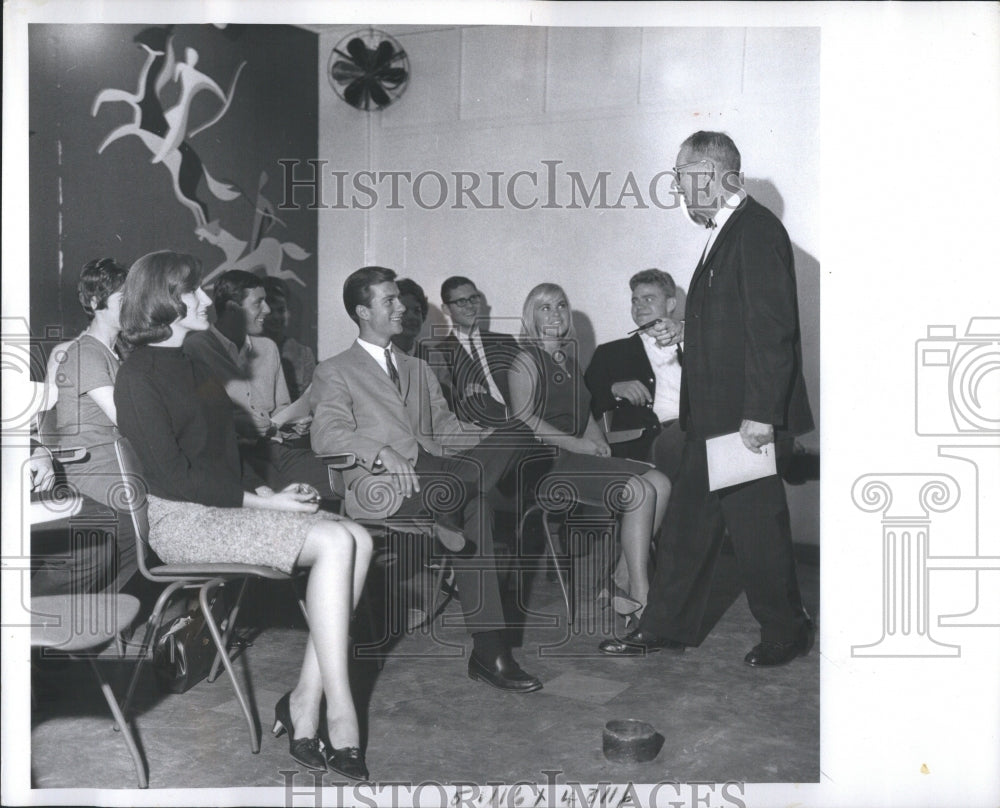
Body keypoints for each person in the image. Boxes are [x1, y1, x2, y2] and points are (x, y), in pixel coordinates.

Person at [114, 251, 373, 778]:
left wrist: (267, 488)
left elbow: (224, 452)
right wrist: (265, 502)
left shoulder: (195, 363)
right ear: (163, 300)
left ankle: (304, 697)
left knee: (360, 538)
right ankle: (338, 710)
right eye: (192, 292)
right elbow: (174, 479)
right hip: (179, 522)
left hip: (220, 505)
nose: (205, 299)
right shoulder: (137, 376)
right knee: (336, 542)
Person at [600, 131, 815, 667]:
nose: (676, 187)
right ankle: (665, 626)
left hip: (741, 419)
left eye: (681, 175)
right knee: (691, 525)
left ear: (713, 172)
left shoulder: (756, 230)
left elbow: (772, 333)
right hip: (711, 417)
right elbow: (732, 324)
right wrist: (686, 333)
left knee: (755, 527)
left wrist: (762, 415)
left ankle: (787, 631)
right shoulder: (728, 232)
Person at [310, 266, 542, 693]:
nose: (403, 308)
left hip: (438, 476)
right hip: (385, 484)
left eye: (399, 299)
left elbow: (446, 429)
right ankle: (489, 651)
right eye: (389, 301)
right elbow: (326, 434)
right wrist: (379, 450)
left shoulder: (419, 369)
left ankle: (449, 508)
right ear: (363, 311)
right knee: (479, 500)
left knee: (518, 432)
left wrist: (493, 439)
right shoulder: (335, 370)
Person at [507, 283, 672, 619]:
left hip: (576, 458)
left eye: (561, 306)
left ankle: (618, 579)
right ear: (531, 316)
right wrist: (579, 444)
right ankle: (641, 597)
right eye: (545, 307)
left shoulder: (567, 360)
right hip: (544, 465)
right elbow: (527, 422)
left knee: (661, 482)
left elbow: (584, 414)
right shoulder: (525, 360)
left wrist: (598, 443)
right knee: (640, 489)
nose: (555, 313)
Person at [184, 270, 331, 498]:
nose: (268, 311)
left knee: (341, 480)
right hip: (232, 458)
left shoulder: (268, 348)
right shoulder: (196, 348)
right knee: (291, 496)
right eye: (258, 303)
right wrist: (241, 424)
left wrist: (295, 424)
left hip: (275, 450)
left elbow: (282, 409)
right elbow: (197, 421)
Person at [584, 269, 685, 479]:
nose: (639, 306)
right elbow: (583, 404)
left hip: (699, 433)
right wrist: (613, 390)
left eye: (649, 299)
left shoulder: (695, 343)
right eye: (635, 300)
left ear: (671, 304)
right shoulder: (611, 354)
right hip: (652, 441)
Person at [421, 276, 520, 428]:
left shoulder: (506, 342)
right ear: (446, 309)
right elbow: (442, 407)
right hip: (478, 432)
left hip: (520, 424)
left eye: (473, 299)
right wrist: (463, 399)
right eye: (461, 302)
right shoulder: (438, 355)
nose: (469, 306)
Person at [262, 276, 316, 400]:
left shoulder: (303, 354)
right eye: (270, 311)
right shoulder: (244, 350)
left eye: (281, 310)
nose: (276, 317)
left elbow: (310, 400)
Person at [389, 277, 429, 357]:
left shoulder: (434, 357)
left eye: (417, 311)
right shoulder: (375, 357)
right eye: (403, 311)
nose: (412, 317)